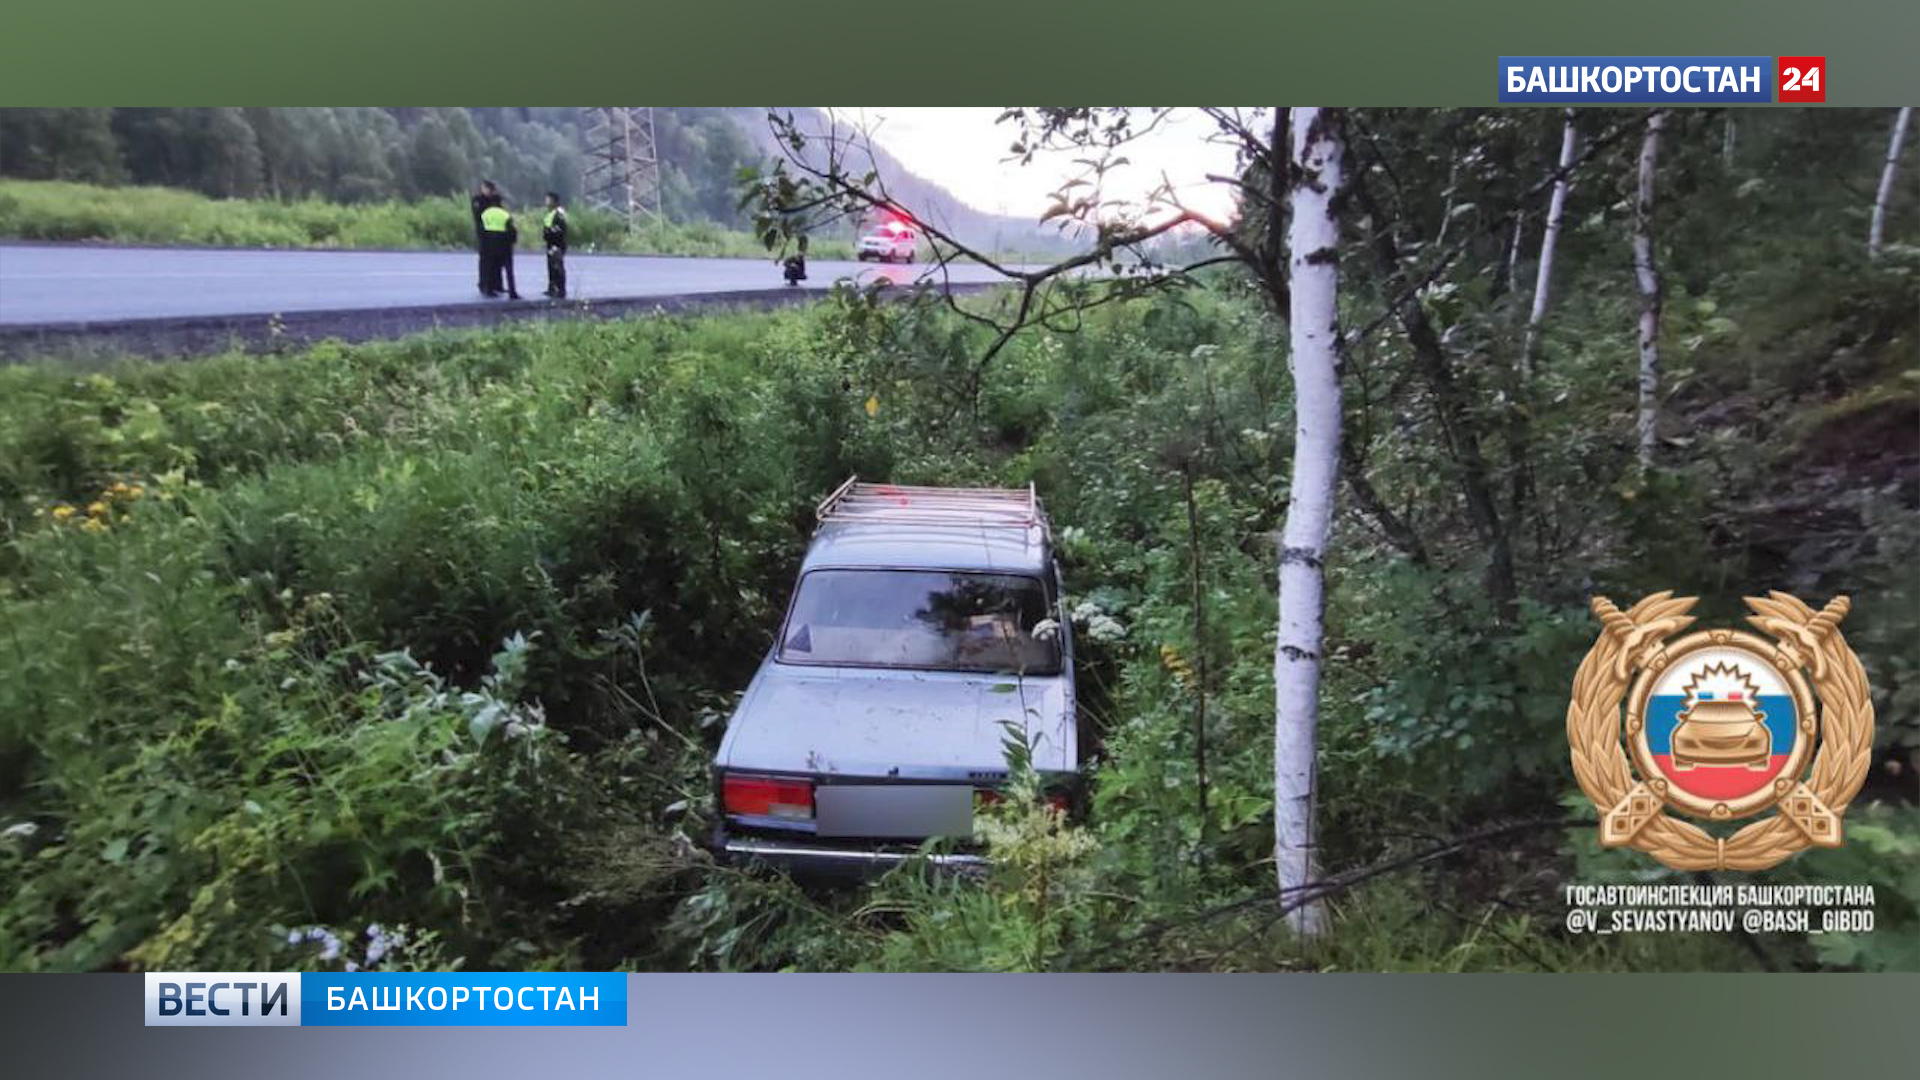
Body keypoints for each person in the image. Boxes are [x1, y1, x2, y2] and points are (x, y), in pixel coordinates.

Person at [479, 193, 521, 300]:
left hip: (489, 244)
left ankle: (489, 290)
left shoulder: (485, 214)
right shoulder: (505, 214)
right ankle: (512, 292)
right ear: (500, 203)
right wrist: (513, 241)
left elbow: (481, 230)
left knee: (490, 268)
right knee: (508, 269)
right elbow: (512, 231)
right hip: (504, 244)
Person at [470, 180, 498, 296]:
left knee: (494, 260)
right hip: (483, 233)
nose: (488, 192)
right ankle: (484, 284)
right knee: (485, 260)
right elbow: (478, 215)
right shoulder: (478, 200)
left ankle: (494, 284)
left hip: (495, 233)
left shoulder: (494, 200)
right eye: (487, 189)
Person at [541, 192, 568, 299]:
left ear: (554, 201)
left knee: (557, 267)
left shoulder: (559, 213)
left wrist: (549, 232)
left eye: (548, 199)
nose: (546, 202)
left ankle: (561, 290)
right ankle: (552, 288)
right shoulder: (550, 213)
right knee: (551, 267)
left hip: (557, 243)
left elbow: (560, 228)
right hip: (550, 243)